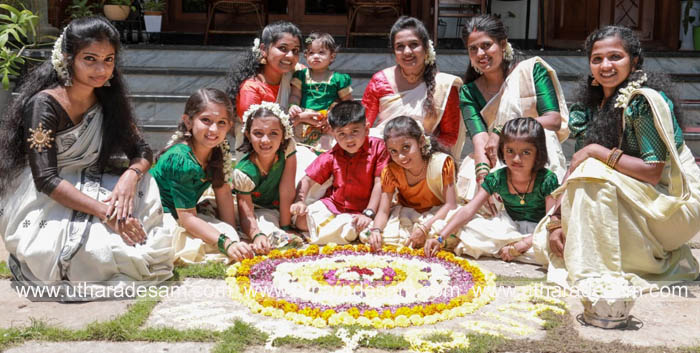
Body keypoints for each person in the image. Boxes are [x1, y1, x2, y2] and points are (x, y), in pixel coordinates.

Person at [0, 17, 173, 298]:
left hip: (96, 181)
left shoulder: (108, 99)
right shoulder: (44, 105)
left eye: (108, 59)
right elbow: (45, 179)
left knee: (139, 236)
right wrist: (107, 213)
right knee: (95, 254)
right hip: (50, 195)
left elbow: (142, 151)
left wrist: (131, 176)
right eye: (89, 59)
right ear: (68, 58)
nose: (101, 69)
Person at [532, 26, 700, 289]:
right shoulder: (592, 105)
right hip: (640, 196)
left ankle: (603, 266)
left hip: (673, 202)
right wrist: (556, 221)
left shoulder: (643, 102)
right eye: (597, 59)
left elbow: (652, 171)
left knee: (592, 173)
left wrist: (596, 151)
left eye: (615, 57)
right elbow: (576, 165)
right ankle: (605, 257)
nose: (605, 65)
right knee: (548, 239)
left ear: (634, 61)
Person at [456, 15, 569, 205]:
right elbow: (480, 139)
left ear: (502, 44)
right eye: (473, 49)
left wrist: (502, 130)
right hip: (495, 153)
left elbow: (553, 120)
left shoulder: (531, 71)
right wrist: (483, 178)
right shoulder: (469, 91)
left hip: (536, 149)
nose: (480, 53)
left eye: (486, 45)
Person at [426, 118, 558, 264]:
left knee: (554, 246)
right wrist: (440, 237)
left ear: (538, 153)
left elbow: (550, 222)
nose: (516, 158)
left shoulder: (547, 179)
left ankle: (514, 250)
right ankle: (510, 249)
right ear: (502, 150)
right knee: (468, 227)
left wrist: (523, 244)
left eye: (526, 152)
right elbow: (469, 209)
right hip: (509, 227)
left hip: (538, 231)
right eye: (510, 151)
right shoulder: (497, 178)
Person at [151, 88, 254, 264]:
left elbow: (223, 192)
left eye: (221, 122)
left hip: (186, 210)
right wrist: (227, 243)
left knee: (227, 232)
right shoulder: (181, 160)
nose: (214, 129)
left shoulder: (217, 150)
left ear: (230, 125)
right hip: (162, 213)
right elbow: (187, 218)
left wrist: (233, 233)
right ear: (188, 121)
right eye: (206, 120)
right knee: (204, 247)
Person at [361, 16, 466, 158]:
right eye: (400, 46)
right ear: (394, 52)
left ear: (426, 48)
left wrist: (419, 149)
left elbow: (450, 137)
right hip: (384, 158)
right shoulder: (380, 81)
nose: (407, 52)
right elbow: (362, 125)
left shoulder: (444, 86)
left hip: (425, 160)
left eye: (413, 44)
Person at [291, 101, 389, 244]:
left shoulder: (378, 148)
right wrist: (299, 202)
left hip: (365, 209)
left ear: (367, 129)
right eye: (341, 134)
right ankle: (345, 229)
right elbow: (307, 179)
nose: (349, 139)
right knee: (300, 221)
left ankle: (344, 229)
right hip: (335, 205)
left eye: (354, 131)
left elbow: (379, 183)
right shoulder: (333, 155)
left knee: (369, 229)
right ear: (334, 135)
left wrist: (368, 213)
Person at [364, 116, 457, 251]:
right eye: (393, 151)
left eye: (406, 147)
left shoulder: (441, 163)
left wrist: (425, 228)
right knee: (373, 235)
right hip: (408, 214)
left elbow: (451, 205)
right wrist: (376, 230)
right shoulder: (390, 171)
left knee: (451, 231)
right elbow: (383, 211)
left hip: (439, 215)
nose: (401, 157)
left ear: (421, 141)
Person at [233, 102, 303, 252]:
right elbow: (247, 213)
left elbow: (287, 188)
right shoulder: (243, 172)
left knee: (305, 213)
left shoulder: (287, 149)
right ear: (248, 135)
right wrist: (256, 234)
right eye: (258, 133)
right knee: (266, 224)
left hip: (281, 204)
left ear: (284, 135)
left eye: (273, 133)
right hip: (257, 209)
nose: (265, 140)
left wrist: (286, 226)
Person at [289, 32, 353, 152]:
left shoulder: (338, 79)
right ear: (306, 55)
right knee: (303, 153)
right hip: (303, 120)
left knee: (324, 153)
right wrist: (293, 106)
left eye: (321, 52)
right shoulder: (301, 76)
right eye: (311, 53)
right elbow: (295, 95)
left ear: (332, 56)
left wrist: (335, 116)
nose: (316, 56)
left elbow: (348, 103)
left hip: (327, 123)